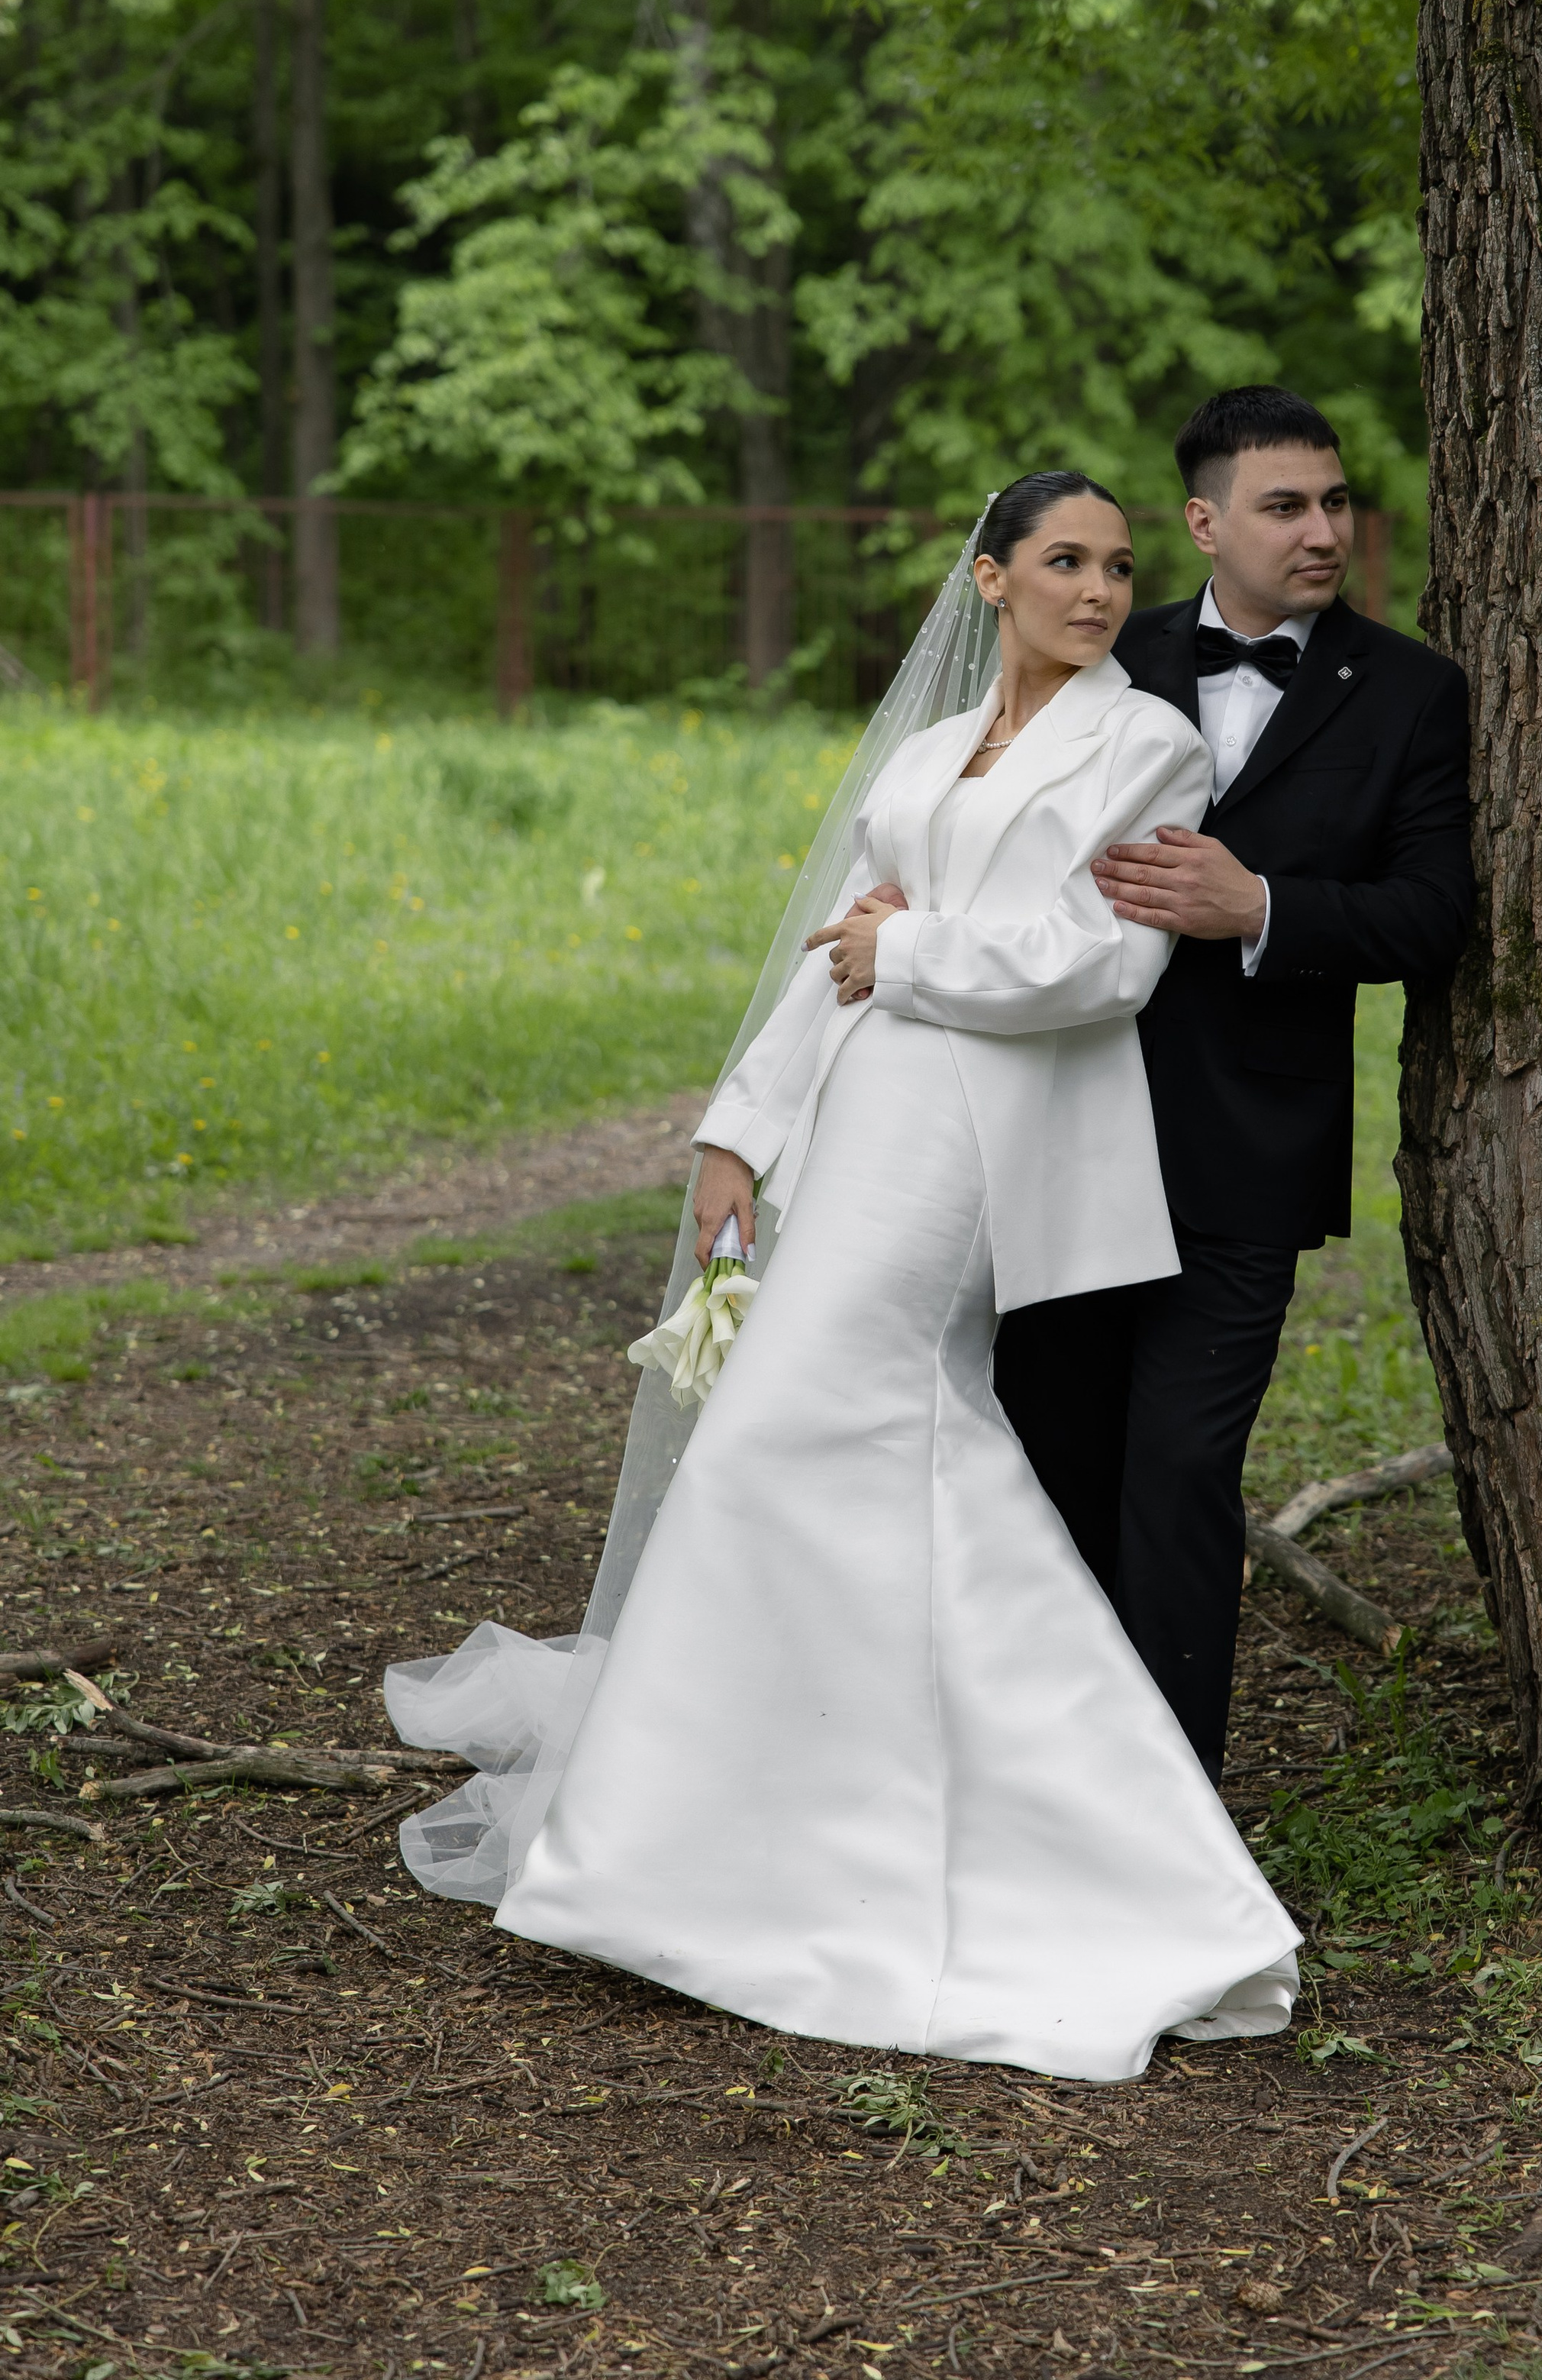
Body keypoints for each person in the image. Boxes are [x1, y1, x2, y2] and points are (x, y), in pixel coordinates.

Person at [386, 470, 1299, 2084]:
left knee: (790, 1435)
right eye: (1063, 563)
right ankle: (784, 1831)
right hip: (864, 1113)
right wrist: (736, 1134)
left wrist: (917, 953)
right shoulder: (932, 754)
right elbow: (836, 947)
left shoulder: (1144, 742)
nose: (1096, 592)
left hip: (976, 1134)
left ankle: (801, 1854)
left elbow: (1101, 968)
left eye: (1117, 566)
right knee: (878, 1458)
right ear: (988, 579)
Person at [993, 389, 1475, 1782]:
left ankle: (1172, 1815)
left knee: (1186, 1475)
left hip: (1248, 1149)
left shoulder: (1410, 691)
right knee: (1051, 1465)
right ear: (1206, 522)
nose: (1322, 530)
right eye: (1285, 506)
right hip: (1064, 1128)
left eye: (1334, 503)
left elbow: (1433, 913)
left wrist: (1262, 904)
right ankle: (1041, 1783)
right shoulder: (1103, 658)